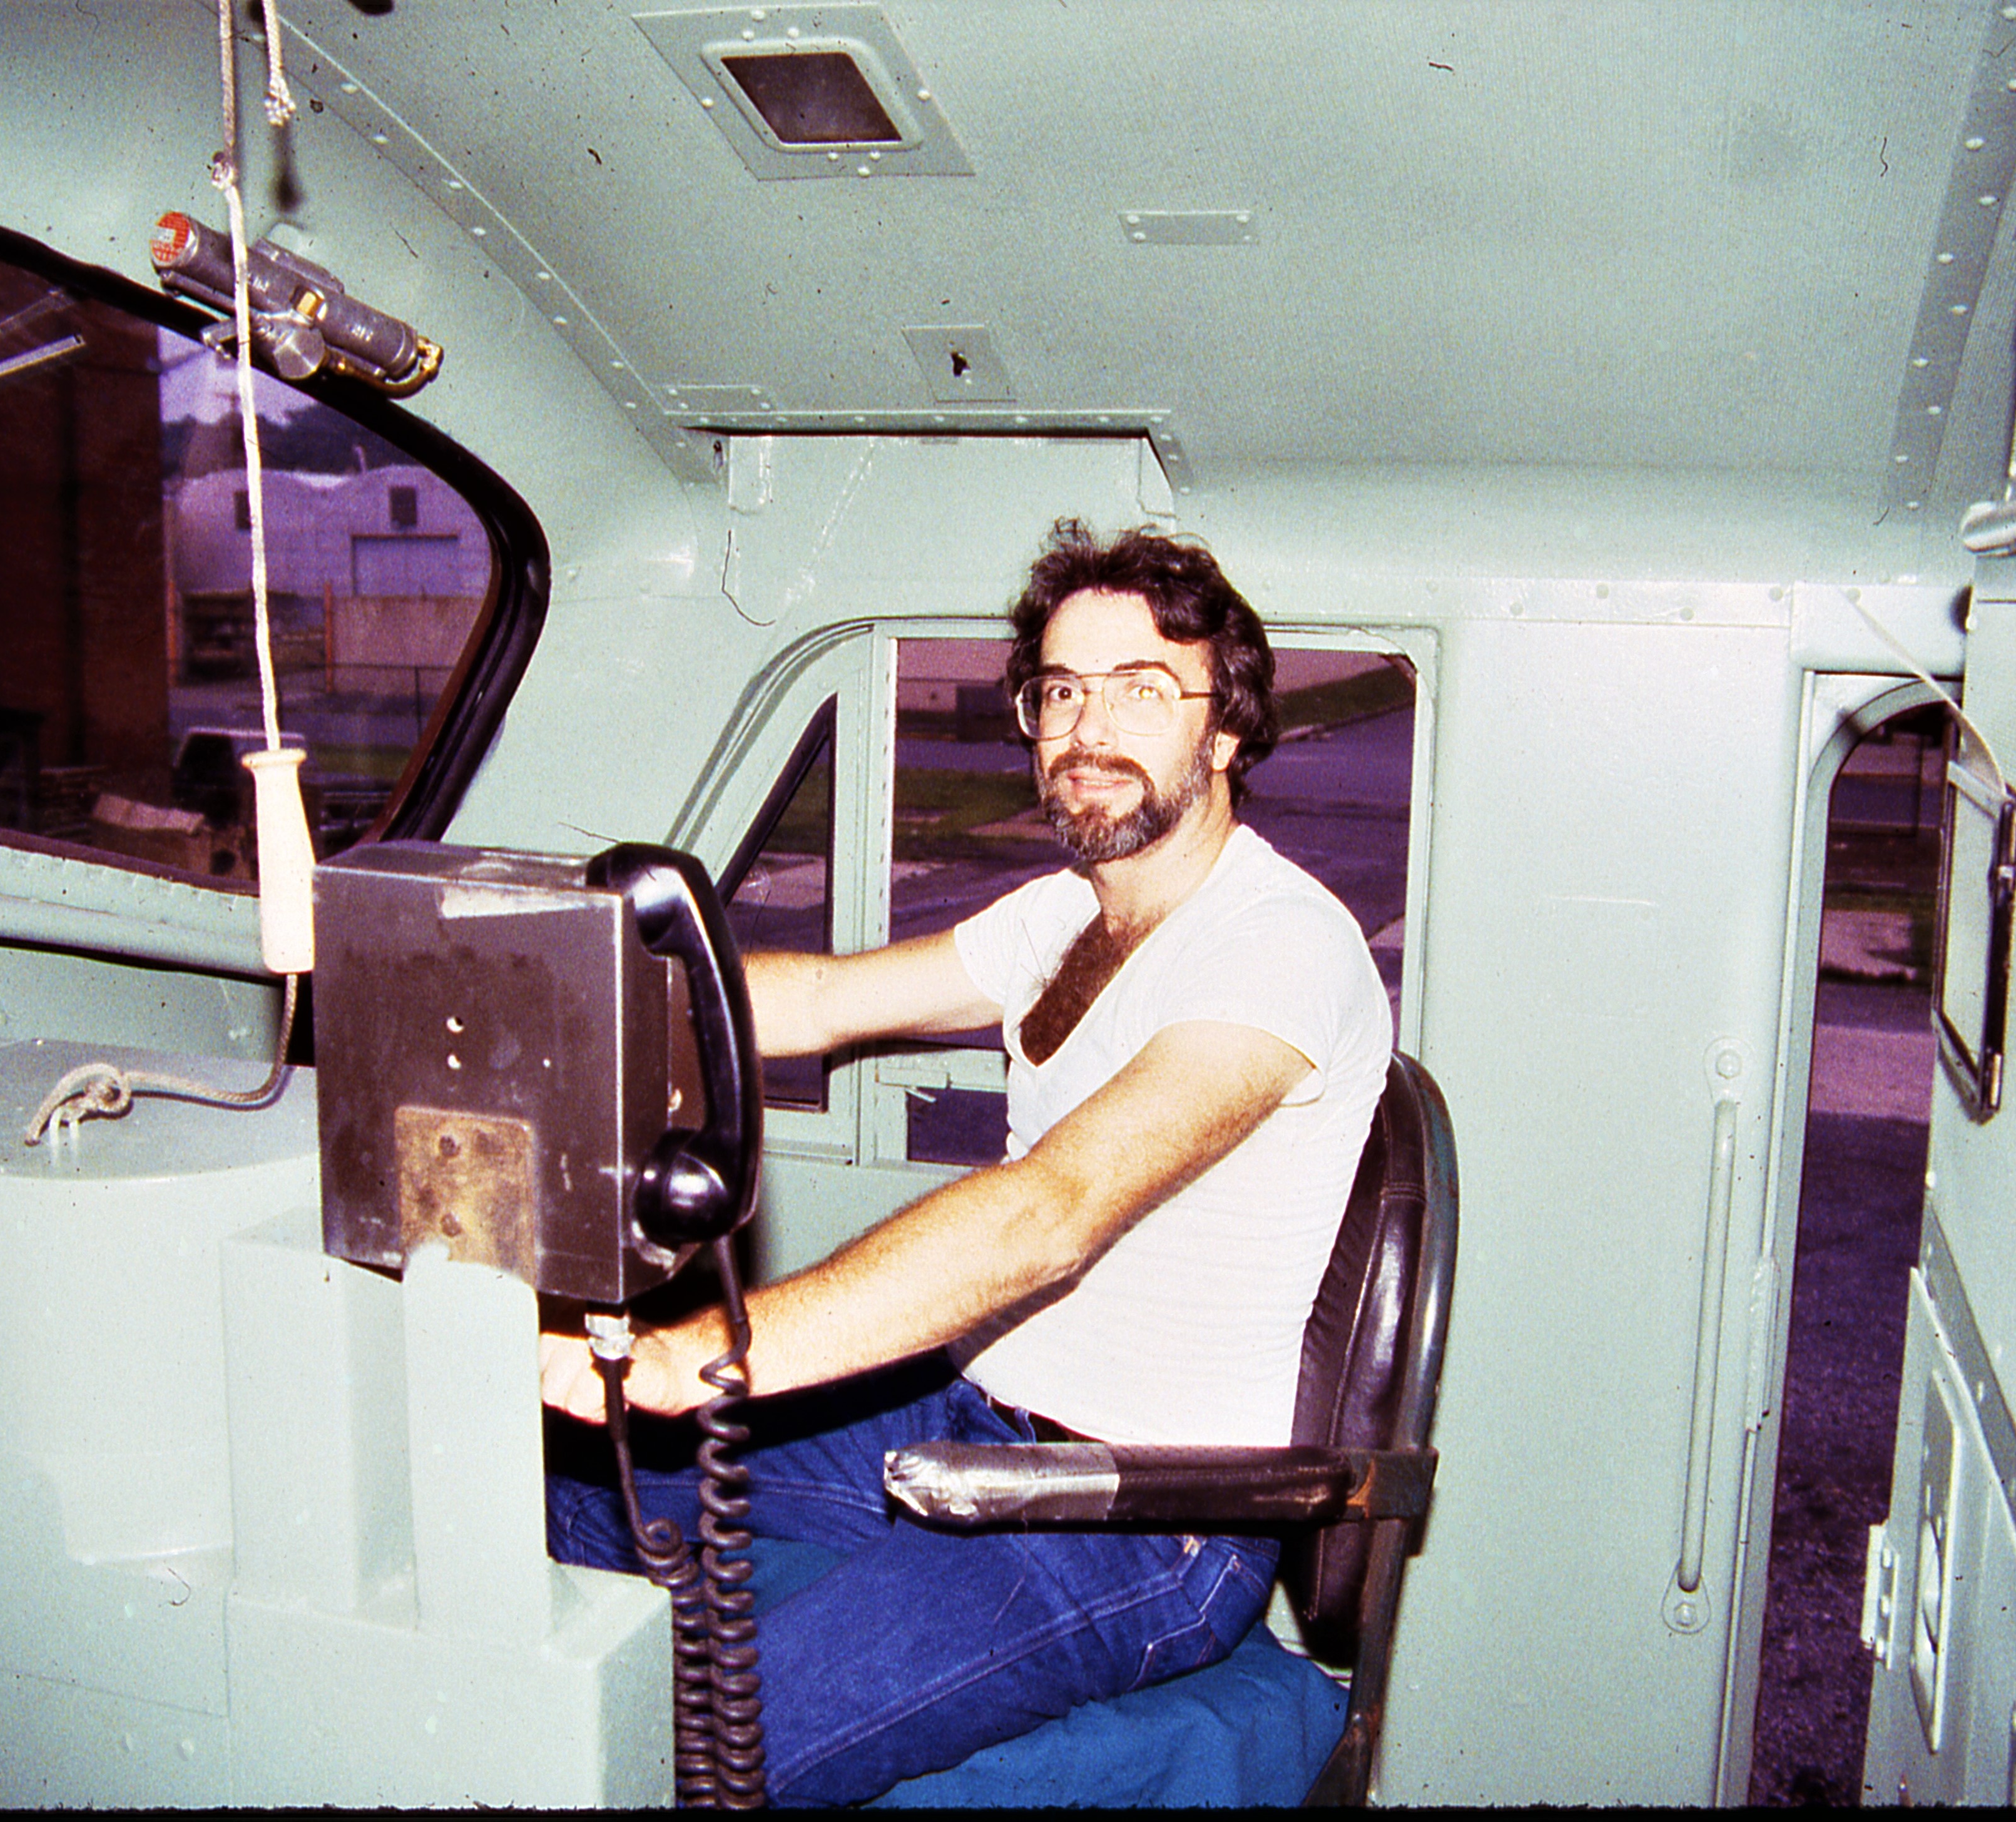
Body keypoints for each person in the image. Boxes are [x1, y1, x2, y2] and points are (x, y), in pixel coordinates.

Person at [538, 518, 1392, 1805]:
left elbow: (1051, 1212)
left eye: (1143, 689)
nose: (1087, 727)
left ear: (1225, 731)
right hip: (971, 1417)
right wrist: (571, 992)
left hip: (1140, 1517)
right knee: (564, 1480)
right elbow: (820, 999)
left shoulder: (1276, 946)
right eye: (1060, 690)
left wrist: (681, 1359)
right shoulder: (1070, 913)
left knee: (700, 1756)